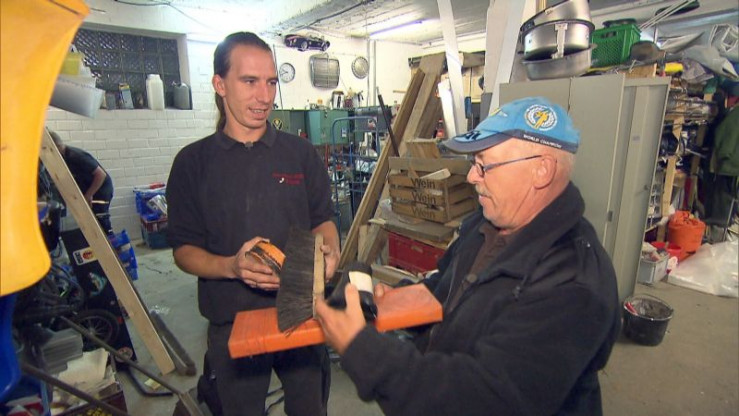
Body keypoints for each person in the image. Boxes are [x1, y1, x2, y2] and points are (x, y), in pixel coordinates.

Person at [315, 97, 621, 416]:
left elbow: (483, 398)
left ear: (541, 170)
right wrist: (400, 298)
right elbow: (448, 286)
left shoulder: (574, 284)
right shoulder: (484, 225)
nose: (472, 177)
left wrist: (363, 350)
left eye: (484, 165)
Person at [166, 32, 339, 416]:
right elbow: (184, 250)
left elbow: (322, 220)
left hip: (300, 310)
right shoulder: (193, 163)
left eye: (271, 82)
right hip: (232, 319)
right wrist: (231, 266)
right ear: (220, 84)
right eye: (249, 81)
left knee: (310, 409)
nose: (264, 96)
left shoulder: (300, 154)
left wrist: (329, 252)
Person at [49, 129, 114, 234]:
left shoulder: (76, 155)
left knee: (100, 219)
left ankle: (111, 242)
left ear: (56, 146)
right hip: (90, 187)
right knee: (91, 221)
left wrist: (89, 195)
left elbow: (101, 175)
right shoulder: (63, 158)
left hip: (101, 188)